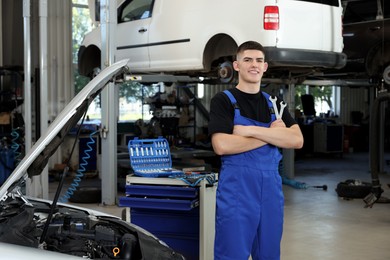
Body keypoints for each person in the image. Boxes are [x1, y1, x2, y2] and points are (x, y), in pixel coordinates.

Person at [208, 41, 304, 260]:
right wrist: (272, 135)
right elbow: (222, 146)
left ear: (265, 66)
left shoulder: (275, 104)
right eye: (248, 60)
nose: (254, 65)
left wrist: (249, 131)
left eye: (259, 60)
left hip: (271, 191)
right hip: (237, 191)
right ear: (236, 65)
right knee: (231, 254)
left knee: (269, 254)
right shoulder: (223, 101)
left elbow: (297, 140)